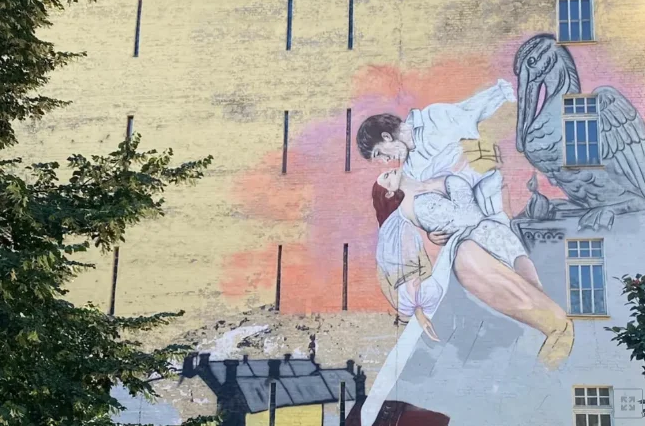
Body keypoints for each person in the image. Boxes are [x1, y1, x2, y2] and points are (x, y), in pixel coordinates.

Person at [373, 167, 573, 365]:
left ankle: (559, 330)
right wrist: (430, 237)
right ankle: (559, 331)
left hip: (492, 230)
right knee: (511, 290)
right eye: (386, 177)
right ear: (389, 192)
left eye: (388, 172)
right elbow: (404, 256)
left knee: (531, 283)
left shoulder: (432, 177)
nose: (390, 171)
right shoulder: (404, 211)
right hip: (467, 242)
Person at [357, 79, 516, 244]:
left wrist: (501, 92)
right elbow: (427, 201)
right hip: (467, 220)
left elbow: (473, 114)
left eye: (379, 153)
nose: (385, 160)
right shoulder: (410, 169)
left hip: (489, 190)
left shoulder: (433, 118)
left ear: (386, 137)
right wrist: (430, 232)